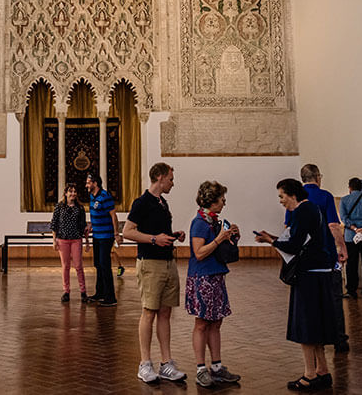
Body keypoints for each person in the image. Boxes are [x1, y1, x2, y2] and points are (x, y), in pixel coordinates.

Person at [255, 178, 338, 391]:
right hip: (318, 271)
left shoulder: (302, 212)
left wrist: (270, 241)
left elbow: (293, 244)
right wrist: (272, 238)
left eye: (282, 196)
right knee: (316, 324)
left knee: (307, 326)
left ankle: (309, 374)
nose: (281, 201)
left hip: (309, 275)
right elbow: (301, 239)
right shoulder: (311, 209)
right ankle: (322, 369)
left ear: (292, 194)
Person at [123, 162, 188, 383]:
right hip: (150, 264)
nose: (172, 182)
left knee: (165, 313)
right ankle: (144, 363)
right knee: (149, 312)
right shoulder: (141, 202)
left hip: (168, 262)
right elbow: (127, 232)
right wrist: (154, 239)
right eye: (170, 178)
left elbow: (159, 231)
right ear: (159, 177)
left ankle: (166, 364)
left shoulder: (162, 203)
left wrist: (172, 235)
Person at [286, 164, 349, 353]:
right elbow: (332, 225)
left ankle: (312, 339)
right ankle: (339, 339)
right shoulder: (325, 196)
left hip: (304, 258)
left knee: (307, 301)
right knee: (335, 296)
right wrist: (342, 247)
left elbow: (289, 228)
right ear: (317, 177)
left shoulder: (295, 197)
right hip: (326, 254)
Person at [186, 181, 242, 388]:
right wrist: (219, 239)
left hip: (216, 275)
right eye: (222, 200)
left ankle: (217, 367)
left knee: (216, 322)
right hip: (202, 278)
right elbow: (199, 253)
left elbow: (217, 247)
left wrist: (231, 236)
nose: (224, 203)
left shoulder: (212, 221)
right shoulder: (199, 223)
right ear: (212, 200)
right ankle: (201, 368)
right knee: (202, 323)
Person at [85, 172, 119, 306]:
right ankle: (100, 293)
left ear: (95, 183)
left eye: (88, 182)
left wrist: (116, 233)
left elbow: (113, 216)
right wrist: (91, 226)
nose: (86, 185)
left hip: (106, 236)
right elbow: (96, 214)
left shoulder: (105, 196)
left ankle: (111, 297)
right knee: (98, 265)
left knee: (105, 266)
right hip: (97, 236)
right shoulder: (92, 196)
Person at [51, 184, 88, 302]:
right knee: (65, 266)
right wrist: (54, 240)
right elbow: (54, 224)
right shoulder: (59, 206)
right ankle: (66, 291)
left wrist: (87, 242)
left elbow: (83, 226)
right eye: (70, 191)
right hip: (63, 240)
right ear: (65, 193)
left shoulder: (80, 208)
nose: (73, 193)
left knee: (78, 266)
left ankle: (83, 292)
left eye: (74, 191)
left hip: (76, 239)